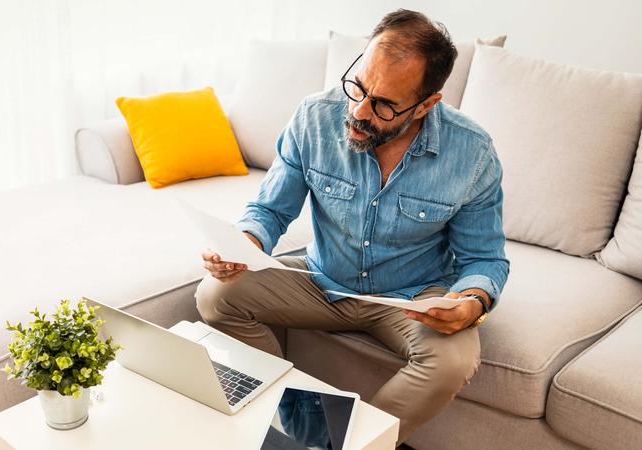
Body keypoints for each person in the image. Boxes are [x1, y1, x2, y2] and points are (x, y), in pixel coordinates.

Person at [195, 9, 509, 446]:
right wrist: (243, 247)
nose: (359, 111)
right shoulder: (313, 116)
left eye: (383, 105)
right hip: (320, 278)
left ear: (426, 104)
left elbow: (484, 258)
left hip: (412, 296)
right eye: (358, 87)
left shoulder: (471, 152)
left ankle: (342, 442)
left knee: (452, 362)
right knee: (216, 296)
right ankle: (293, 423)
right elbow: (269, 211)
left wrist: (472, 301)